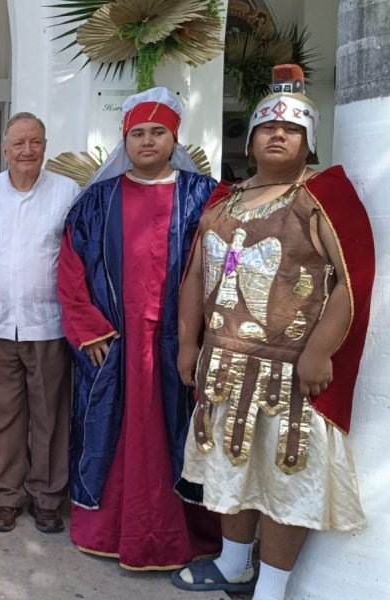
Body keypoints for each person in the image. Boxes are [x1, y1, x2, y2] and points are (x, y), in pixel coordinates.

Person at [172, 65, 375, 600]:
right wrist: (187, 343)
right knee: (228, 472)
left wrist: (320, 352)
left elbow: (353, 279)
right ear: (252, 137)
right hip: (223, 365)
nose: (278, 135)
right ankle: (234, 565)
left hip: (289, 373)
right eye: (267, 127)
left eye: (291, 129)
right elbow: (194, 276)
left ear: (308, 141)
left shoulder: (322, 195)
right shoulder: (223, 202)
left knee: (288, 482)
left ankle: (272, 588)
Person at [57, 87, 221, 570]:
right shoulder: (96, 202)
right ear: (123, 140)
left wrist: (212, 335)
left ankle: (183, 535)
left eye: (158, 132)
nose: (147, 141)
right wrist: (89, 330)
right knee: (111, 433)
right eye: (137, 133)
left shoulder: (206, 198)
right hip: (114, 344)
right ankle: (108, 529)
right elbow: (69, 271)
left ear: (175, 139)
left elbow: (231, 267)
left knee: (179, 434)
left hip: (181, 342)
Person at [0, 113, 79, 533]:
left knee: (50, 416)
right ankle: (6, 495)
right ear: (4, 150)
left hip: (48, 323)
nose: (27, 151)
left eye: (35, 142)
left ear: (45, 145)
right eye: (19, 143)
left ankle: (47, 496)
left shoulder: (67, 192)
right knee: (3, 415)